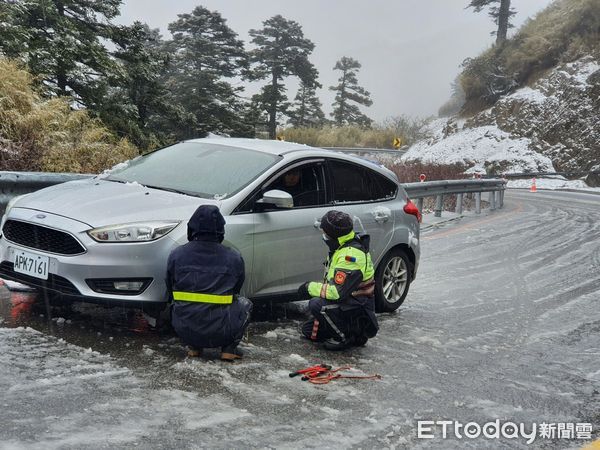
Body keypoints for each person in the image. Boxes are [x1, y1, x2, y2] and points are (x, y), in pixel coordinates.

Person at [167, 205, 252, 361]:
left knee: (179, 303)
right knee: (244, 303)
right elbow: (237, 288)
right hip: (221, 330)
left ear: (191, 229)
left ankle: (193, 347)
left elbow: (169, 287)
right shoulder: (233, 256)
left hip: (185, 328)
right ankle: (229, 349)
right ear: (221, 230)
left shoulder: (177, 254)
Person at [297, 210, 379, 350]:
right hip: (349, 302)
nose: (323, 234)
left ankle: (346, 337)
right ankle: (348, 331)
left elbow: (336, 292)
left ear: (333, 234)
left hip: (358, 307)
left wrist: (308, 287)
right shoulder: (341, 246)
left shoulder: (350, 256)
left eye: (325, 231)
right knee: (310, 332)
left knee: (317, 304)